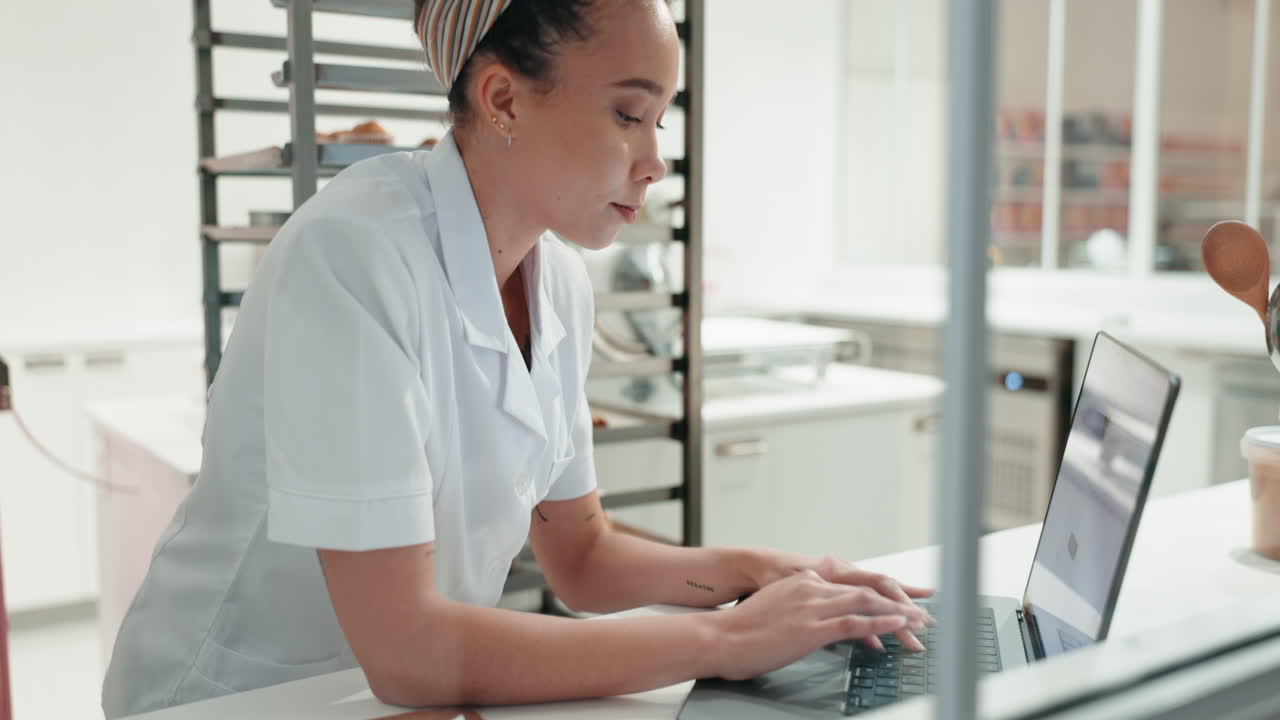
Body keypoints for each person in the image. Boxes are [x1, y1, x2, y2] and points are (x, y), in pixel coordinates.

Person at [101, 0, 932, 715]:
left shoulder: (560, 281)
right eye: (626, 114)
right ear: (502, 98)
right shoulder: (350, 257)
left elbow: (581, 558)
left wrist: (761, 571)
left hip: (401, 695)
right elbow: (404, 646)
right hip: (238, 699)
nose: (655, 161)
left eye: (660, 120)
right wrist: (724, 638)